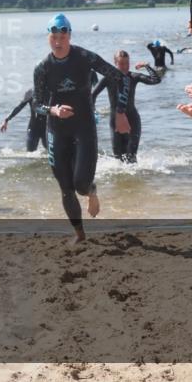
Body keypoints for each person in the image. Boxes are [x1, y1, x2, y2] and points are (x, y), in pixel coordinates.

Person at [33, 13, 126, 242]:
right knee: (65, 187)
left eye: (62, 35)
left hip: (84, 128)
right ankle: (80, 234)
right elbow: (36, 104)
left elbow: (118, 77)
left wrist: (120, 110)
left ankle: (91, 192)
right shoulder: (43, 68)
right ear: (49, 38)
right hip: (56, 130)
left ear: (69, 36)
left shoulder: (85, 57)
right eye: (53, 35)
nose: (58, 40)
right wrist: (53, 110)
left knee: (81, 184)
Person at [92, 50, 160, 164]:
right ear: (115, 63)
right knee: (118, 159)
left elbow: (156, 80)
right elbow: (93, 96)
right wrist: (92, 113)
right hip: (115, 121)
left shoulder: (133, 76)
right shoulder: (108, 78)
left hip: (132, 120)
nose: (125, 66)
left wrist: (147, 66)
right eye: (121, 63)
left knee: (131, 158)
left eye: (127, 63)